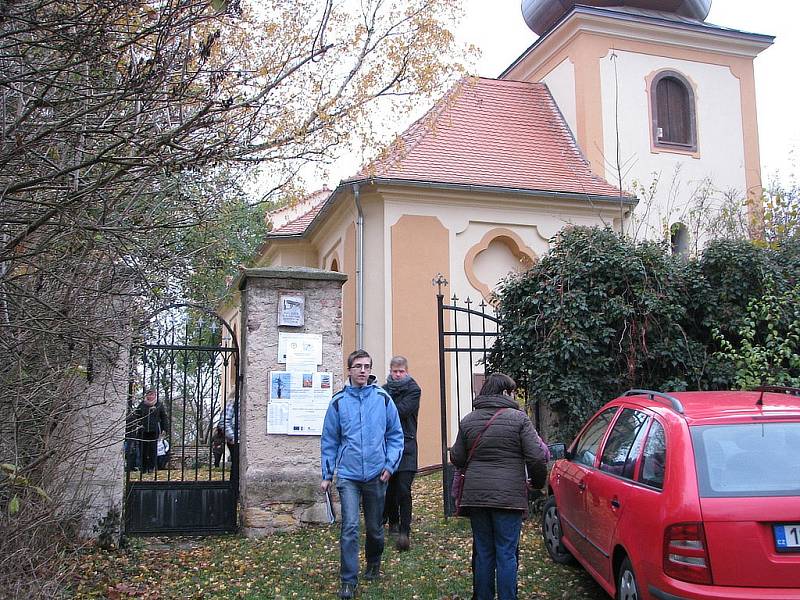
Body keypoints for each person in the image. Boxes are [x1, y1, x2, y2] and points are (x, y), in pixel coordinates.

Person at [450, 373, 548, 600]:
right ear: (505, 392)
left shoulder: (468, 420)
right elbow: (536, 456)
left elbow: (457, 457)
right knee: (506, 553)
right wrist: (538, 482)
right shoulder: (519, 419)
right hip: (508, 498)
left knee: (484, 552)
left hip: (476, 497)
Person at [320, 349, 404, 600]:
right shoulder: (338, 402)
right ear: (349, 370)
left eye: (367, 366)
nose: (363, 370)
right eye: (358, 366)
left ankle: (374, 562)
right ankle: (348, 580)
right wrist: (327, 473)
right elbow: (329, 440)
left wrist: (389, 467)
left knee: (376, 529)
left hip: (377, 474)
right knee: (350, 527)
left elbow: (395, 436)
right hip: (348, 475)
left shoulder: (383, 399)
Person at [382, 355, 421, 552]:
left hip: (407, 446)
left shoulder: (413, 389)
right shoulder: (383, 389)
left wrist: (383, 408)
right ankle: (393, 523)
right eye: (395, 371)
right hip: (387, 445)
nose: (397, 375)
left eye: (401, 371)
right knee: (390, 488)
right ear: (390, 371)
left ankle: (405, 530)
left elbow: (401, 411)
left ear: (406, 371)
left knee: (404, 490)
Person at [132, 388, 169, 473]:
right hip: (143, 431)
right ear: (146, 395)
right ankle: (143, 468)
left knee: (153, 449)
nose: (151, 396)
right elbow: (136, 416)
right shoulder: (142, 404)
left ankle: (152, 467)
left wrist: (165, 429)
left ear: (155, 395)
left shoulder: (159, 404)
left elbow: (163, 417)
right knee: (143, 450)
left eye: (152, 394)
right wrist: (136, 426)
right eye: (149, 394)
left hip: (154, 430)